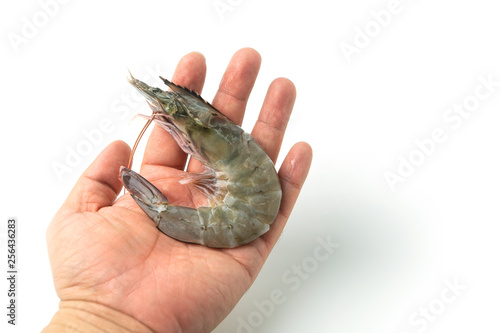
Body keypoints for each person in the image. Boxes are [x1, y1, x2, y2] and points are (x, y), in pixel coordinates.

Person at [43, 48, 313, 332]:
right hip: (235, 200)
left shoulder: (244, 180)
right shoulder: (235, 154)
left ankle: (164, 211)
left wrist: (95, 316)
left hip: (239, 217)